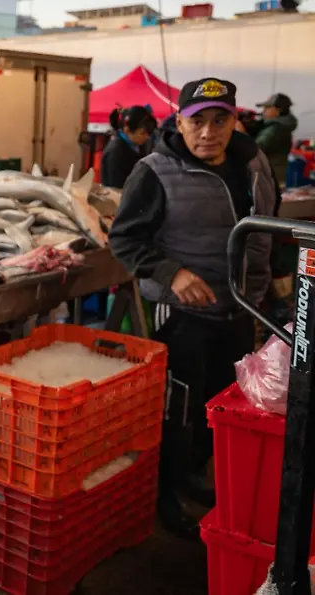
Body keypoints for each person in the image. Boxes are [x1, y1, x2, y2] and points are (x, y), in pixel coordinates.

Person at [109, 77, 276, 539]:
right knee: (174, 413)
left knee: (218, 407)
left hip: (240, 311)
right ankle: (164, 495)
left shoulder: (254, 164)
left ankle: (192, 476)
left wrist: (275, 294)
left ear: (235, 120)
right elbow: (124, 239)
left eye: (219, 120)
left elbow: (269, 229)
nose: (208, 132)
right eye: (197, 121)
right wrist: (172, 274)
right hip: (181, 317)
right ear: (179, 122)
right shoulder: (155, 170)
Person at [101, 106, 157, 189]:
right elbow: (115, 187)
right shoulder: (116, 152)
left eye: (149, 133)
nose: (147, 137)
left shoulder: (137, 145)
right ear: (127, 130)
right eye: (143, 133)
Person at [254, 93, 298, 187]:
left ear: (278, 110)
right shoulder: (278, 126)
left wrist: (241, 133)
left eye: (268, 107)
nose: (264, 111)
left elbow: (255, 149)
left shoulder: (276, 128)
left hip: (270, 176)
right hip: (274, 174)